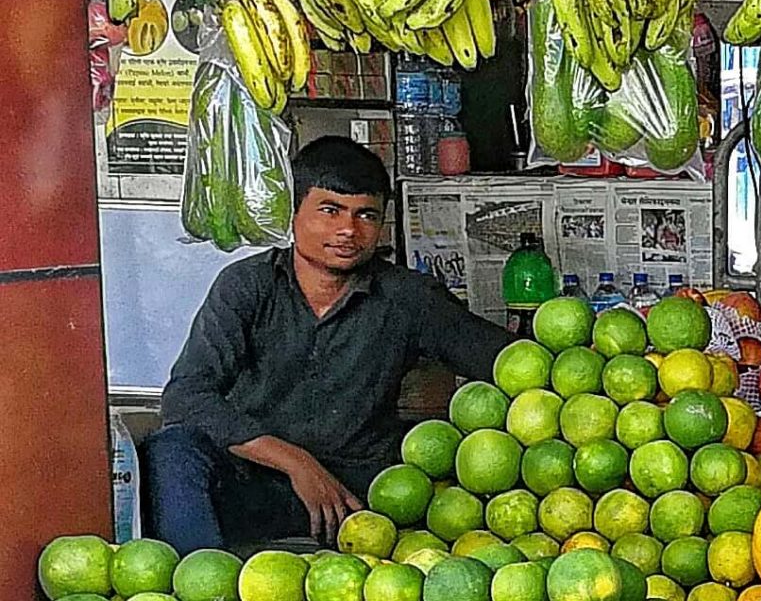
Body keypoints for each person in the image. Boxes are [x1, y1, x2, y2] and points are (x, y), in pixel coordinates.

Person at [149, 136, 508, 550]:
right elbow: (187, 396)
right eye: (330, 210)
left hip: (354, 501)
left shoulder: (408, 298)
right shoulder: (247, 286)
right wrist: (297, 463)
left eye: (366, 216)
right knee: (172, 450)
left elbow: (500, 358)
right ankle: (198, 585)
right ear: (294, 212)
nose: (348, 231)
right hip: (255, 481)